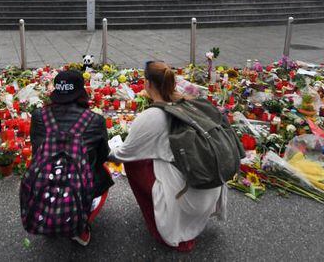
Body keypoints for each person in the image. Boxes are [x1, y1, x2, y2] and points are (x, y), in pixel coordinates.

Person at [109, 61, 226, 252]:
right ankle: (181, 216)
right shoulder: (189, 102)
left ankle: (170, 225)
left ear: (147, 84)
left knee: (133, 163)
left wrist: (100, 152)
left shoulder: (151, 116)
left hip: (188, 195)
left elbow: (123, 154)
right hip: (210, 185)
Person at [22, 70, 114, 246]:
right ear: (81, 92)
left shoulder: (39, 116)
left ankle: (46, 214)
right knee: (103, 172)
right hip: (79, 187)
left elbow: (36, 151)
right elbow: (103, 155)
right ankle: (80, 226)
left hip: (44, 182)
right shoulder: (95, 120)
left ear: (56, 92)